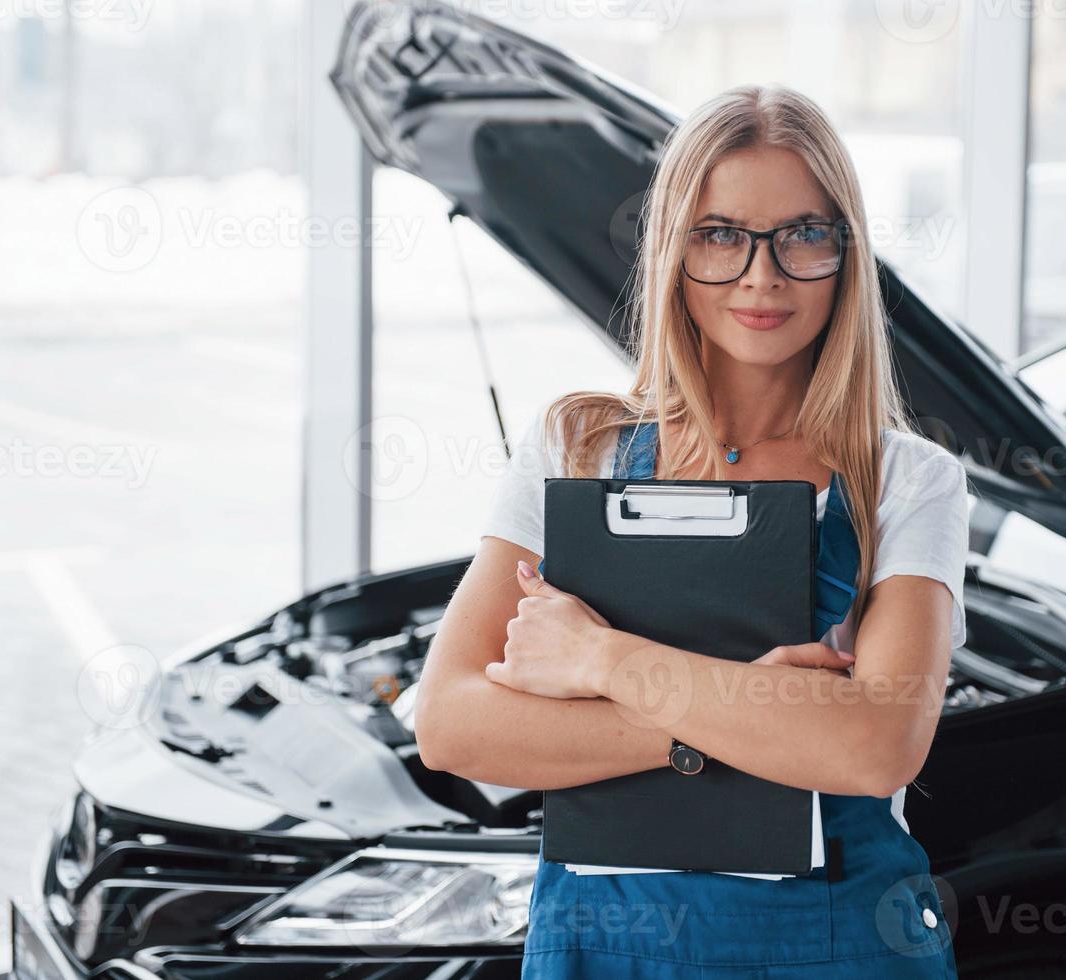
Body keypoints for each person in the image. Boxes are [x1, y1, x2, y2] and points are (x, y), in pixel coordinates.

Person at [416, 82, 971, 977]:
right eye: (720, 235)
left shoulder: (909, 481)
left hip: (839, 947)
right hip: (606, 947)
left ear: (845, 254)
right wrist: (752, 717)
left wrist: (603, 665)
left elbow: (873, 749)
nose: (762, 275)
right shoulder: (576, 446)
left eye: (801, 234)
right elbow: (451, 727)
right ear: (674, 250)